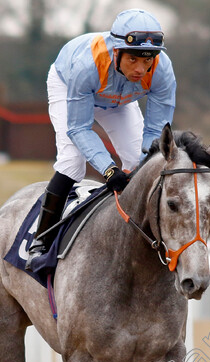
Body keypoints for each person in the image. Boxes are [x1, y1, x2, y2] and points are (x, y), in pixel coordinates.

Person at [25, 9, 176, 268]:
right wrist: (108, 170)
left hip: (120, 99)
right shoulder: (87, 66)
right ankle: (41, 239)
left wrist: (139, 162)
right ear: (117, 51)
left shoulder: (162, 70)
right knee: (73, 161)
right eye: (134, 60)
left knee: (144, 164)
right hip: (70, 86)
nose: (141, 69)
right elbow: (79, 128)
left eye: (148, 60)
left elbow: (155, 134)